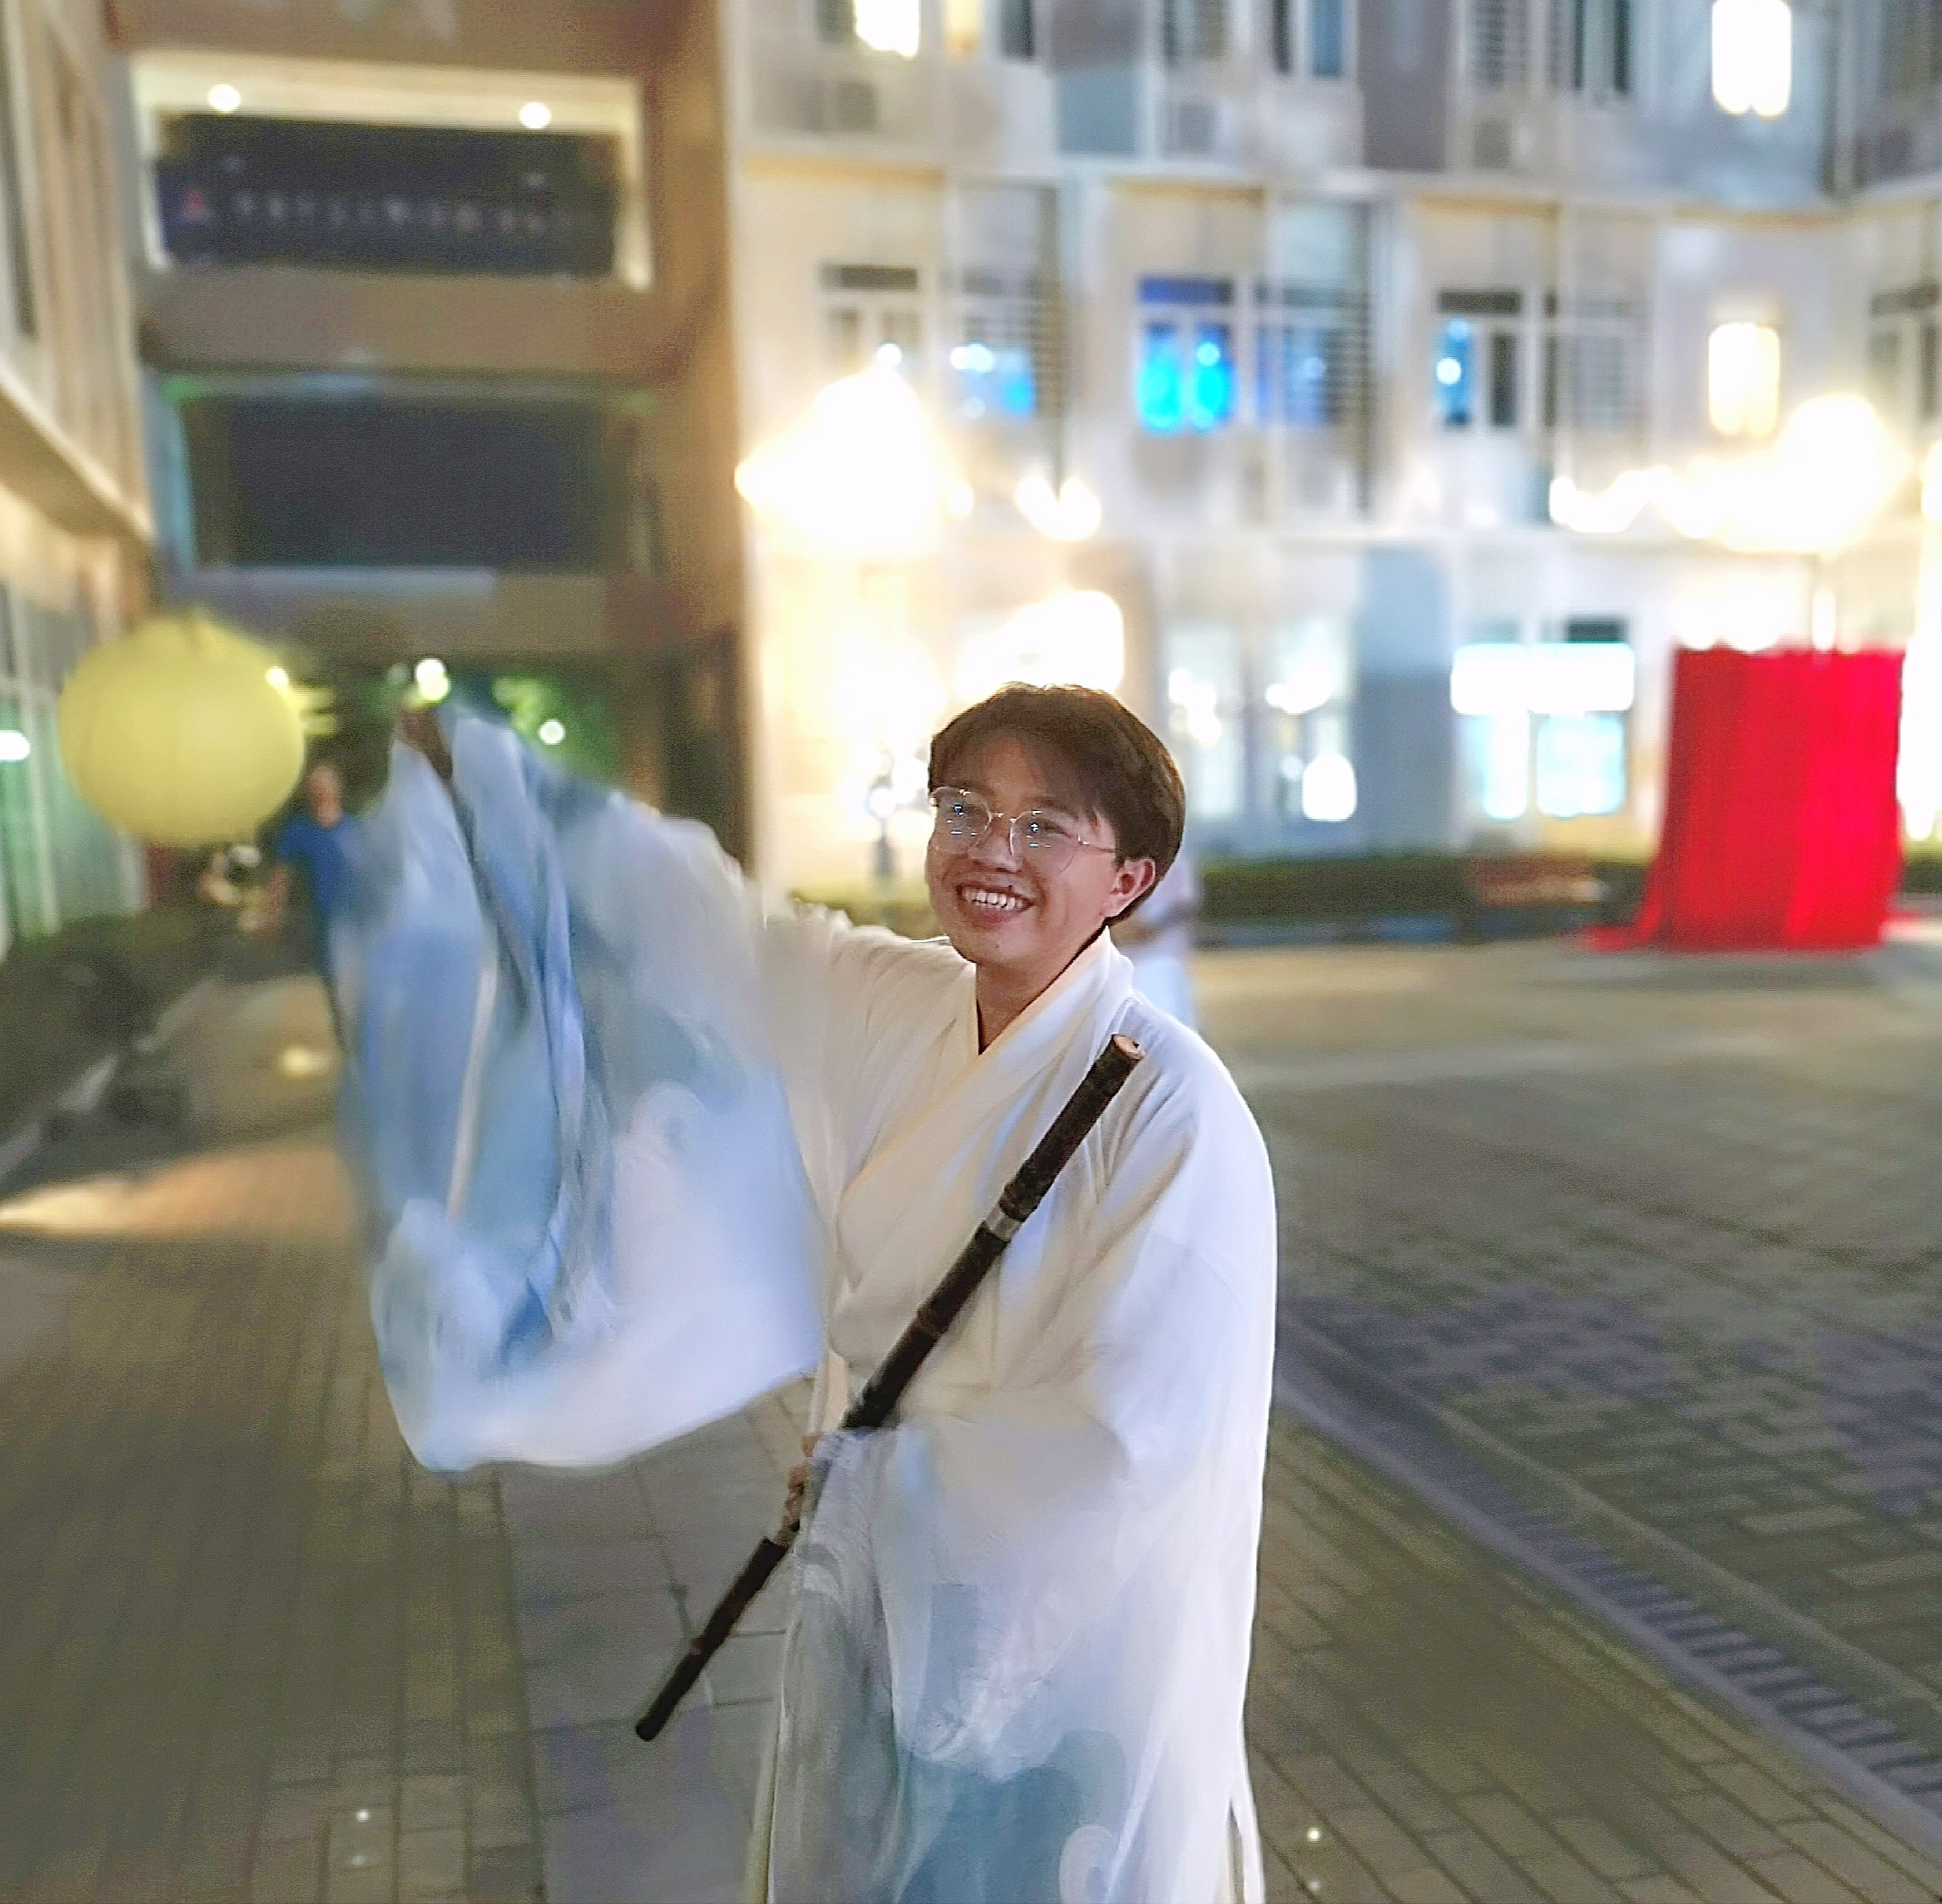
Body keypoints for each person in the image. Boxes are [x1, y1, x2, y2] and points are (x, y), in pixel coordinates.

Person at [360, 685, 1278, 1904]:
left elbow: (1131, 1438)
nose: (991, 852)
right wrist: (518, 803)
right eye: (966, 810)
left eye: (1045, 826)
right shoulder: (898, 1003)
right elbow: (728, 936)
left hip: (1051, 1642)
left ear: (1129, 879)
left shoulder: (1172, 1107)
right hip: (880, 1578)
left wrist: (887, 1483)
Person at [264, 761, 360, 988]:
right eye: (316, 787)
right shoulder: (296, 831)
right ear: (308, 792)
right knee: (333, 983)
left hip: (354, 920)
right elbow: (280, 877)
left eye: (326, 785)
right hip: (317, 922)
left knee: (356, 984)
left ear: (337, 788)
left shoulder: (356, 829)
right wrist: (272, 914)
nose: (321, 792)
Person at [1113, 844, 1201, 1028]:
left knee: (1167, 1026)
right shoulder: (1114, 849)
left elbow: (1182, 903)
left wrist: (1148, 928)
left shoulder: (1170, 852)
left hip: (1160, 957)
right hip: (1122, 961)